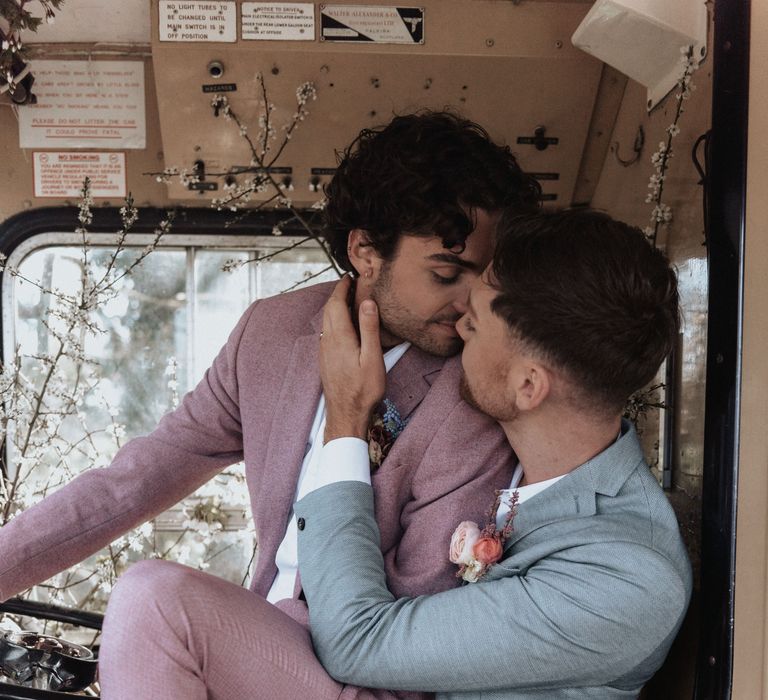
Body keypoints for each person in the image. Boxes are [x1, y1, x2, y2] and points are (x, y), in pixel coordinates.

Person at [0, 112, 540, 699]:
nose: (470, 306)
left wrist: (349, 421)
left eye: (483, 279)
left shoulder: (476, 390)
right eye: (445, 273)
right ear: (364, 250)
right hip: (260, 641)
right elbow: (131, 482)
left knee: (152, 598)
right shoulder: (270, 335)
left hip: (374, 678)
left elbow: (418, 608)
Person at [291, 209, 693, 699]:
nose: (459, 326)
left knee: (175, 607)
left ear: (528, 386)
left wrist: (346, 421)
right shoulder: (516, 464)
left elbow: (358, 641)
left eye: (476, 326)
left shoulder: (627, 578)